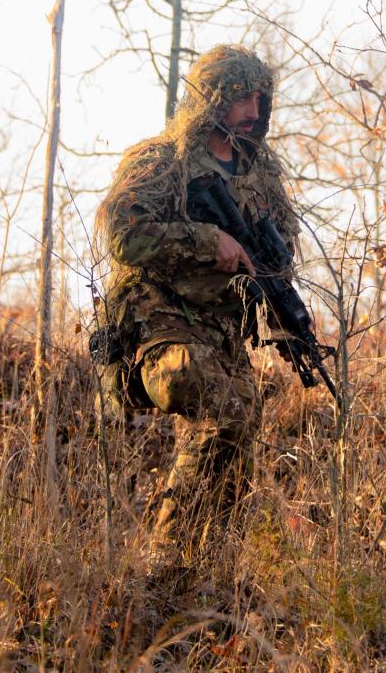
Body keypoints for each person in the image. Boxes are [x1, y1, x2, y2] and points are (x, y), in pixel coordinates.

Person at [95, 45, 301, 569]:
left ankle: (201, 572)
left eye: (260, 95)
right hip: (156, 321)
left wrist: (284, 311)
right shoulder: (160, 161)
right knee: (224, 407)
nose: (253, 107)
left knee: (240, 442)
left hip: (223, 330)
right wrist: (208, 242)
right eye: (241, 94)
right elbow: (125, 235)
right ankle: (162, 555)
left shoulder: (261, 175)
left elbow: (279, 251)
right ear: (213, 96)